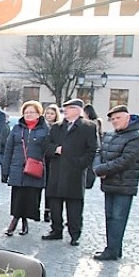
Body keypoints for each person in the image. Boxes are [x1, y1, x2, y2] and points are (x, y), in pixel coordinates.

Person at [42, 98, 97, 246]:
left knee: (74, 206)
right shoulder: (56, 127)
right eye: (65, 108)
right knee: (55, 204)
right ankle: (56, 230)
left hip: (75, 172)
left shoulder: (88, 127)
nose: (66, 110)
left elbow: (92, 150)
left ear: (78, 110)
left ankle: (74, 233)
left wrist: (81, 164)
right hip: (57, 171)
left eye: (70, 108)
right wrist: (55, 150)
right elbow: (46, 146)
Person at [92, 106, 139, 261]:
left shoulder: (135, 137)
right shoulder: (110, 135)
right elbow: (99, 152)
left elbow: (125, 161)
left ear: (128, 118)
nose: (115, 121)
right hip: (109, 183)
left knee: (118, 218)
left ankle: (112, 250)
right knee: (110, 217)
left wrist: (101, 170)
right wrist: (98, 168)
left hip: (124, 185)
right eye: (112, 119)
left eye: (118, 118)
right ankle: (114, 248)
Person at [1, 101, 50, 237]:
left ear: (38, 114)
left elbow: (48, 150)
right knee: (17, 197)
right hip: (17, 167)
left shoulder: (44, 130)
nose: (28, 115)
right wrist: (5, 170)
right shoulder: (17, 128)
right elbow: (9, 149)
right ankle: (15, 222)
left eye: (31, 112)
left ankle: (24, 221)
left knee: (29, 198)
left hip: (34, 168)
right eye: (26, 112)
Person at [41, 104, 62, 222]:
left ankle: (47, 211)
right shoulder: (41, 126)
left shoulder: (58, 128)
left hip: (51, 159)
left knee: (50, 186)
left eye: (52, 114)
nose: (49, 116)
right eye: (47, 113)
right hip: (40, 158)